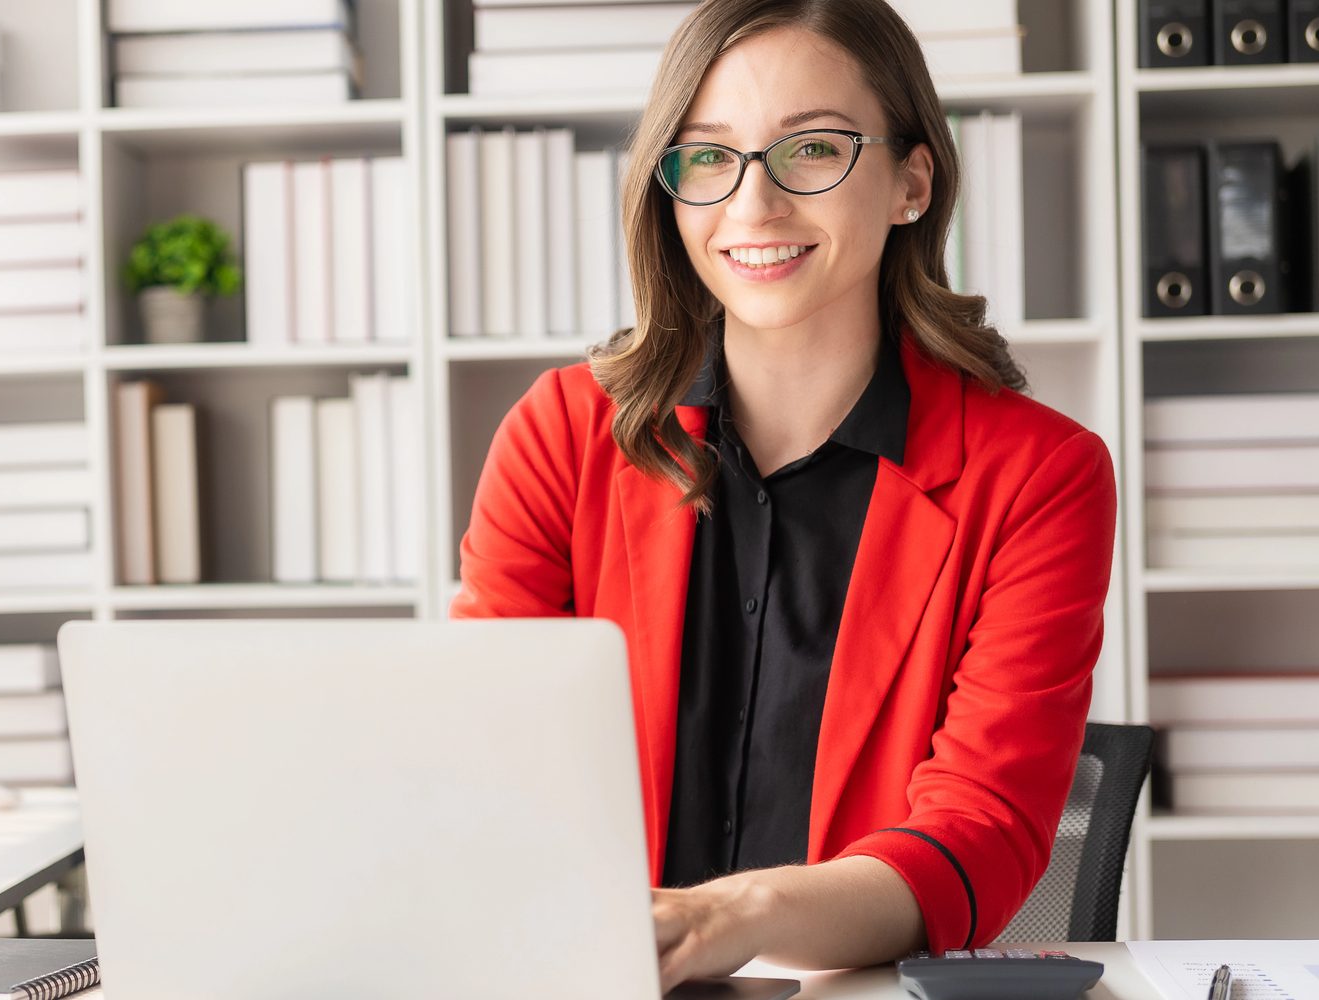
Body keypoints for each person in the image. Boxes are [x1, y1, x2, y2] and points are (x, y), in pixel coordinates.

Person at [449, 0, 1117, 988]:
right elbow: (473, 751)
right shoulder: (559, 435)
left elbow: (981, 833)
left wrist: (735, 914)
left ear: (909, 181)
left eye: (811, 150)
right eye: (709, 158)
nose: (751, 207)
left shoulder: (1036, 477)